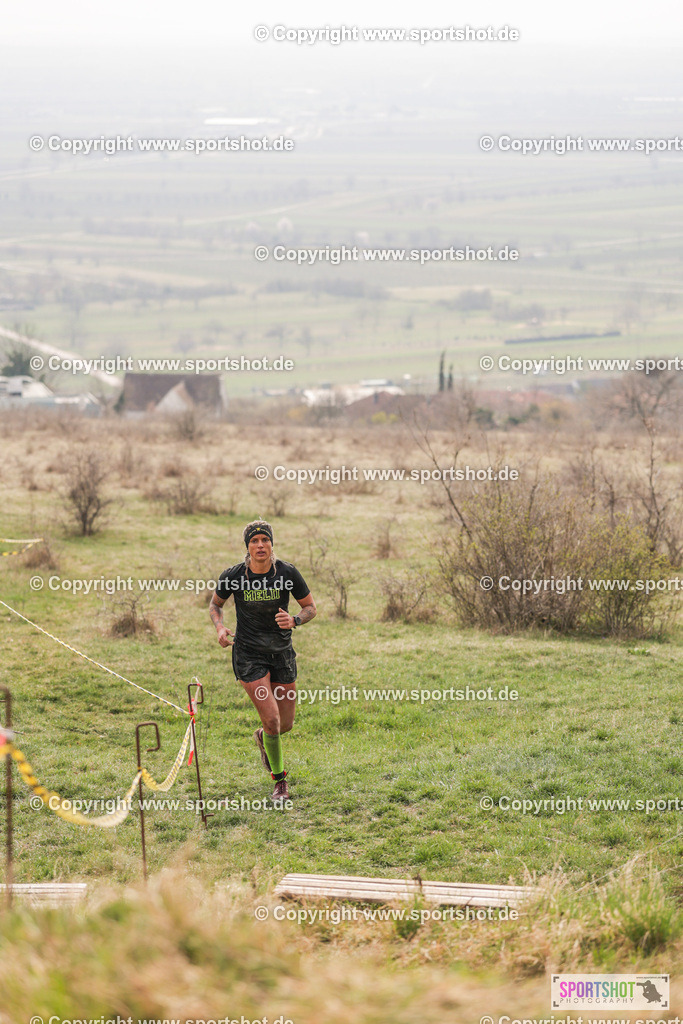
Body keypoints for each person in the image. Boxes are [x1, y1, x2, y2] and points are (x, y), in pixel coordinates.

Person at [209, 520, 316, 800]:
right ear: (247, 547)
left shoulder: (288, 573)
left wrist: (294, 620)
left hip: (281, 654)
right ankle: (280, 782)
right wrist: (220, 628)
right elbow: (215, 605)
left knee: (285, 724)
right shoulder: (234, 576)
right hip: (249, 655)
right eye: (254, 541)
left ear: (271, 544)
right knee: (272, 721)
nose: (260, 546)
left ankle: (263, 738)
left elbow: (310, 608)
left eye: (264, 541)